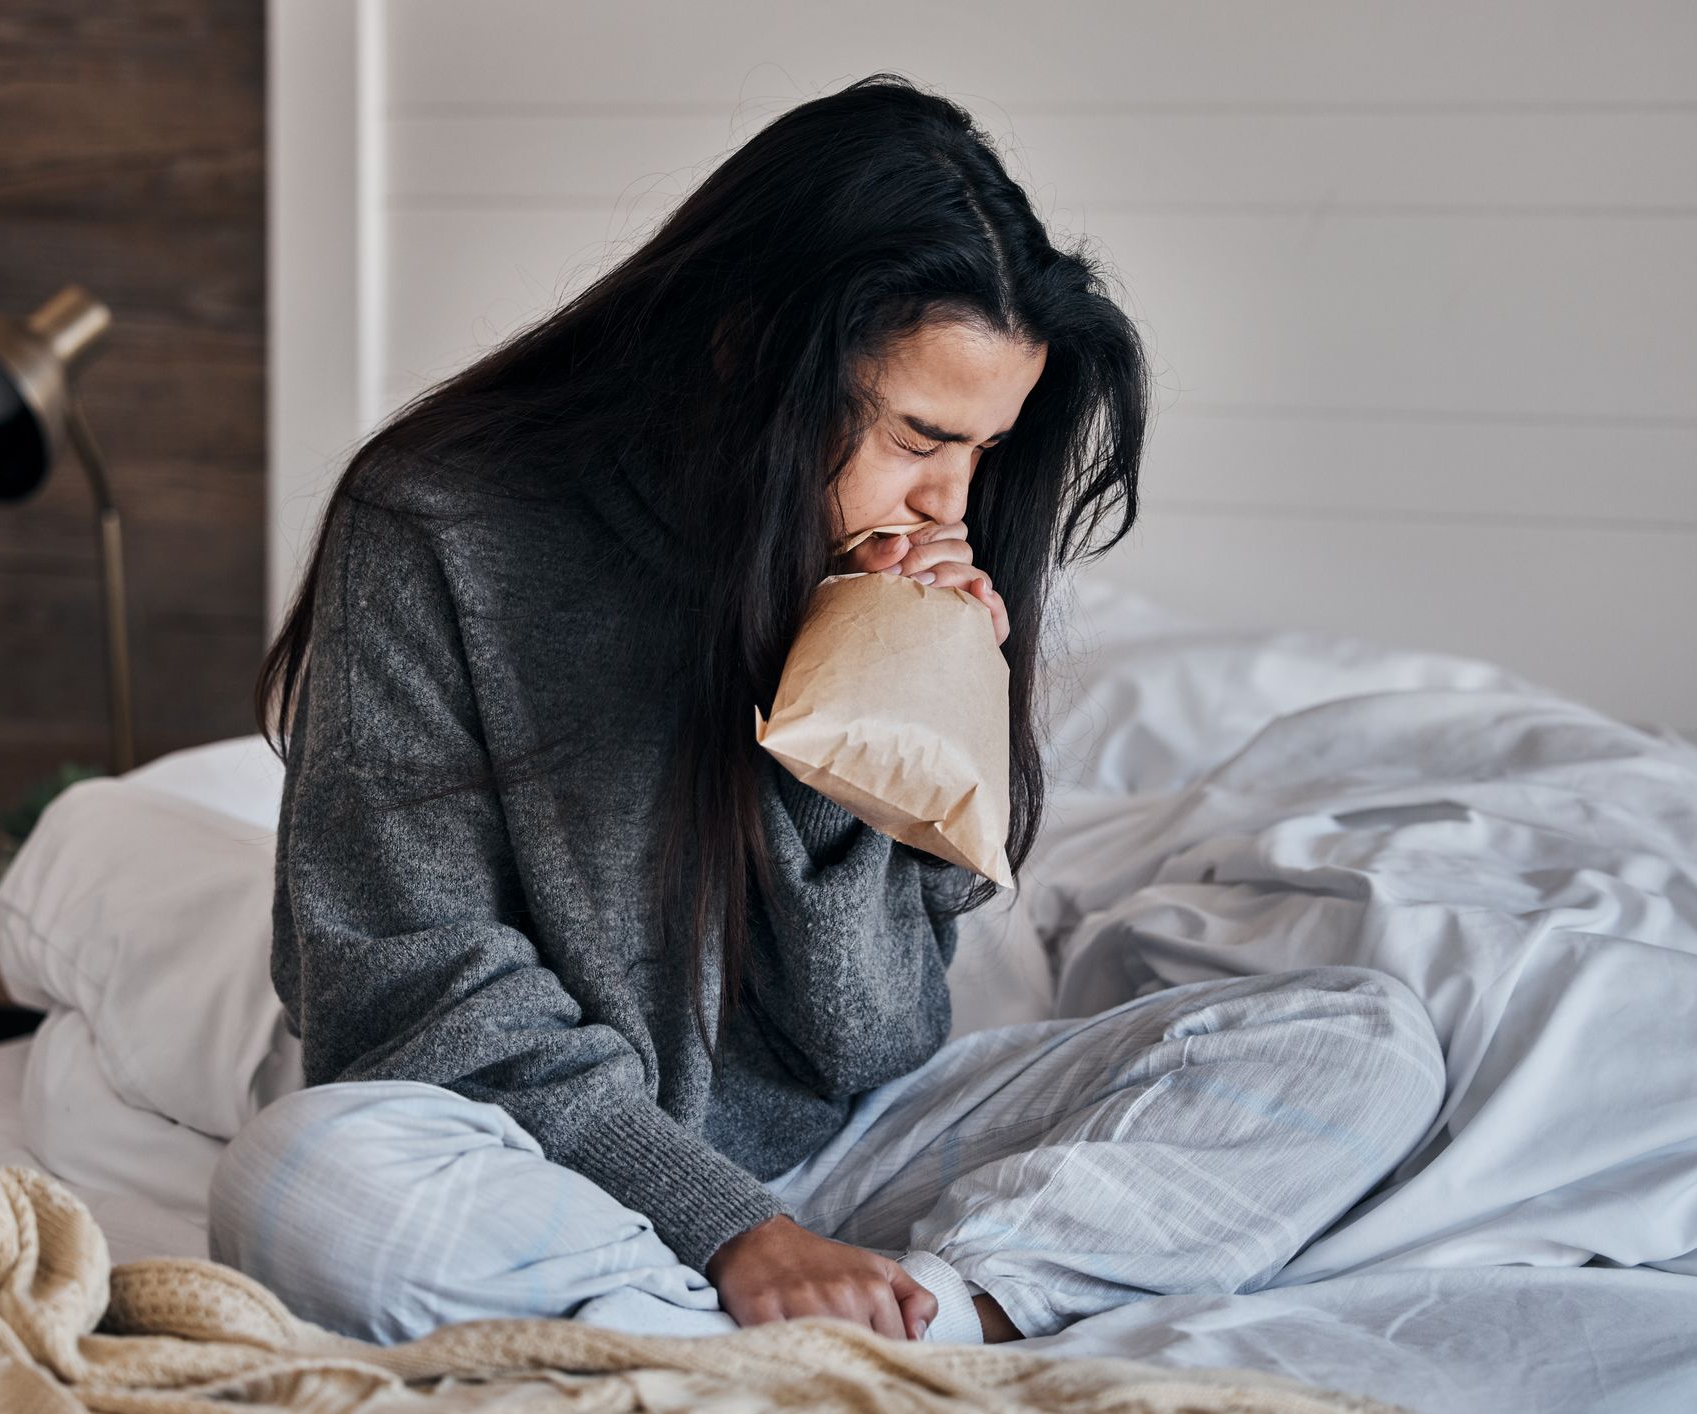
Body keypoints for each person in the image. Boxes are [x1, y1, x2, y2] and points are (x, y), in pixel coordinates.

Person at [210, 74, 1446, 1348]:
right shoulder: (435, 524)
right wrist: (733, 1229)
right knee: (303, 1177)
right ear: (747, 353)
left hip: (859, 1150)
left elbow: (872, 1044)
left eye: (983, 448)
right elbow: (410, 988)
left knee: (1364, 1039)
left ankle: (908, 1324)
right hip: (555, 1166)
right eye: (918, 436)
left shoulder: (901, 579)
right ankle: (818, 1331)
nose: (950, 502)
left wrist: (868, 710)